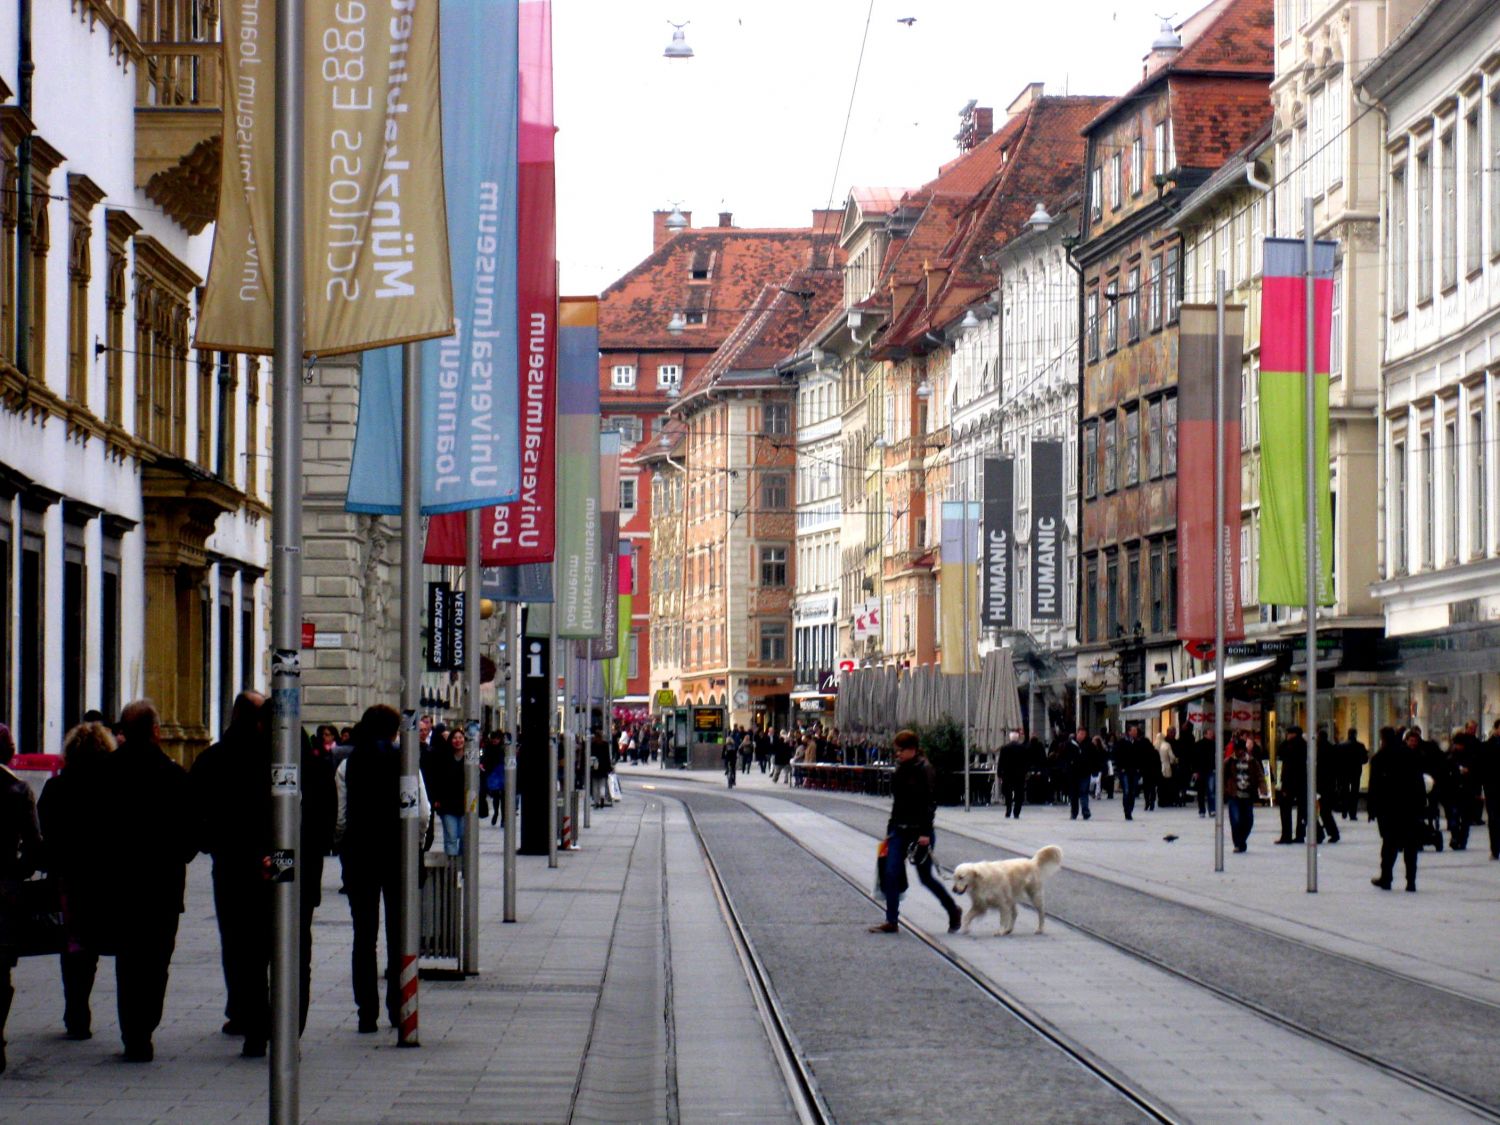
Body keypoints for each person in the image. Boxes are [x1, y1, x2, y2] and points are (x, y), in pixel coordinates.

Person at [99, 700, 197, 1062]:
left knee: (128, 959)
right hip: (162, 885)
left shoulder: (106, 772)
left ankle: (132, 1032)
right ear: (156, 731)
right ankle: (147, 1024)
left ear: (123, 730)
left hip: (121, 884)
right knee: (157, 959)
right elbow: (191, 833)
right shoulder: (173, 775)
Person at [336, 704, 429, 1034]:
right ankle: (398, 1007)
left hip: (360, 856)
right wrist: (414, 846)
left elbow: (341, 816)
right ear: (394, 731)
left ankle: (366, 1013)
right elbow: (421, 812)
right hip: (397, 855)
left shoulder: (349, 764)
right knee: (398, 934)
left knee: (363, 936)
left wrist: (343, 844)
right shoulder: (406, 763)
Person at [189, 691, 273, 1056]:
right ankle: (270, 1013)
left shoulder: (212, 758)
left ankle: (241, 1009)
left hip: (230, 861)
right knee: (271, 938)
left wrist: (210, 843)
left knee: (236, 938)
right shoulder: (275, 756)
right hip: (273, 860)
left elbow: (194, 809)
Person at [37, 721, 116, 1041]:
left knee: (73, 944)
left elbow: (44, 828)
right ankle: (80, 1005)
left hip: (67, 877)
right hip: (102, 875)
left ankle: (76, 1008)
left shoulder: (57, 787)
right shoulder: (113, 787)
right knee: (94, 942)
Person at [869, 730, 961, 935]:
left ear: (911, 749)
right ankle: (891, 920)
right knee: (891, 872)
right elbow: (897, 803)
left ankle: (952, 909)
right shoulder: (900, 769)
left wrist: (925, 833)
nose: (897, 754)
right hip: (899, 831)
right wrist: (890, 831)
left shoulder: (925, 769)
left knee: (925, 877)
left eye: (900, 750)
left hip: (919, 832)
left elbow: (930, 803)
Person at [0, 722, 43, 1073]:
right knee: (0, 971)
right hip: (3, 891)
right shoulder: (17, 790)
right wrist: (21, 871)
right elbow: (33, 847)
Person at [1370, 727, 1426, 892]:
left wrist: (1372, 808)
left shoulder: (1380, 758)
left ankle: (1386, 878)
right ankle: (1411, 881)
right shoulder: (1409, 754)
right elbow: (1418, 781)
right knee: (1411, 846)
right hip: (1410, 808)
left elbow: (1374, 786)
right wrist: (1422, 803)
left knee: (1389, 845)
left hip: (1389, 809)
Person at [1223, 735, 1265, 853]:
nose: (1239, 752)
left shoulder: (1252, 761)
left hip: (1248, 795)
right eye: (1237, 750)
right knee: (1235, 820)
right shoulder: (1229, 761)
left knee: (1248, 821)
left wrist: (1263, 788)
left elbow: (1259, 775)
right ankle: (1238, 843)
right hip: (1234, 795)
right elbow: (1222, 777)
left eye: (1241, 749)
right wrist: (1225, 790)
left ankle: (1242, 840)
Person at [1275, 726, 1309, 844]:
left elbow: (1284, 766)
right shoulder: (1305, 745)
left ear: (1293, 734)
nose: (1286, 735)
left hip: (1289, 783)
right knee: (1303, 809)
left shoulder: (1288, 747)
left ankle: (1286, 835)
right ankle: (1300, 834)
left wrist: (1281, 785)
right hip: (1303, 782)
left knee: (1285, 809)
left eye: (1288, 733)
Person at [1118, 724, 1150, 820]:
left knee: (1132, 792)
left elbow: (1142, 756)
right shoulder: (1122, 742)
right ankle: (1126, 810)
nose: (1135, 732)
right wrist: (1121, 767)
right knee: (1127, 791)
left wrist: (1139, 768)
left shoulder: (1138, 743)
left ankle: (1130, 809)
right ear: (1129, 732)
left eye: (1136, 731)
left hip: (1134, 771)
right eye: (1134, 730)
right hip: (1125, 771)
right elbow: (1117, 755)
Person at [1337, 727, 1368, 820]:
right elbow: (1365, 759)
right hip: (1355, 771)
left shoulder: (1342, 746)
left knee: (1344, 791)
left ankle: (1344, 810)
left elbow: (1338, 760)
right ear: (1355, 734)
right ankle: (1352, 813)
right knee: (1354, 792)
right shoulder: (1360, 746)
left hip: (1344, 771)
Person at [1481, 720, 1500, 861]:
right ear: (1495, 729)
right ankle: (1495, 849)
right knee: (1493, 820)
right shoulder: (1487, 746)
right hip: (1492, 789)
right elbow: (1482, 769)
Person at [1064, 728, 1091, 820]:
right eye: (1081, 734)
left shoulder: (1088, 745)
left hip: (1085, 773)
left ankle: (1085, 811)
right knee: (1074, 794)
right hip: (1073, 773)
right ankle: (1074, 812)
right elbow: (1065, 758)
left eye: (1084, 734)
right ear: (1077, 734)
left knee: (1084, 792)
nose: (1082, 736)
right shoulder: (1069, 744)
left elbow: (1093, 757)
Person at [999, 731, 1028, 819]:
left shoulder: (1004, 748)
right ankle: (1016, 812)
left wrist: (999, 773)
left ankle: (1008, 809)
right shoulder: (1023, 748)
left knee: (1008, 793)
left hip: (1008, 774)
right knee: (1019, 794)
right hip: (1019, 775)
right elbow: (1026, 762)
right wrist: (1026, 772)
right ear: (1017, 738)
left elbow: (1001, 762)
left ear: (1010, 738)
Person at [1192, 727, 1218, 817]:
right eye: (1210, 732)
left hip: (1210, 770)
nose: (1212, 734)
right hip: (1201, 771)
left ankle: (1211, 810)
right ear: (1205, 734)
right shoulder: (1198, 745)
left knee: (1210, 791)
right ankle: (1202, 810)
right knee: (1202, 792)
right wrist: (1195, 771)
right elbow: (1194, 759)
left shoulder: (1214, 744)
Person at [1156, 727, 1179, 808]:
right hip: (1168, 765)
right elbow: (1172, 756)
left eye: (1174, 732)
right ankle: (1166, 800)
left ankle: (1165, 800)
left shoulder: (1158, 744)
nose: (1173, 734)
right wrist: (1175, 760)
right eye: (1172, 732)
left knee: (1165, 784)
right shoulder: (1166, 744)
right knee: (1166, 783)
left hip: (1162, 765)